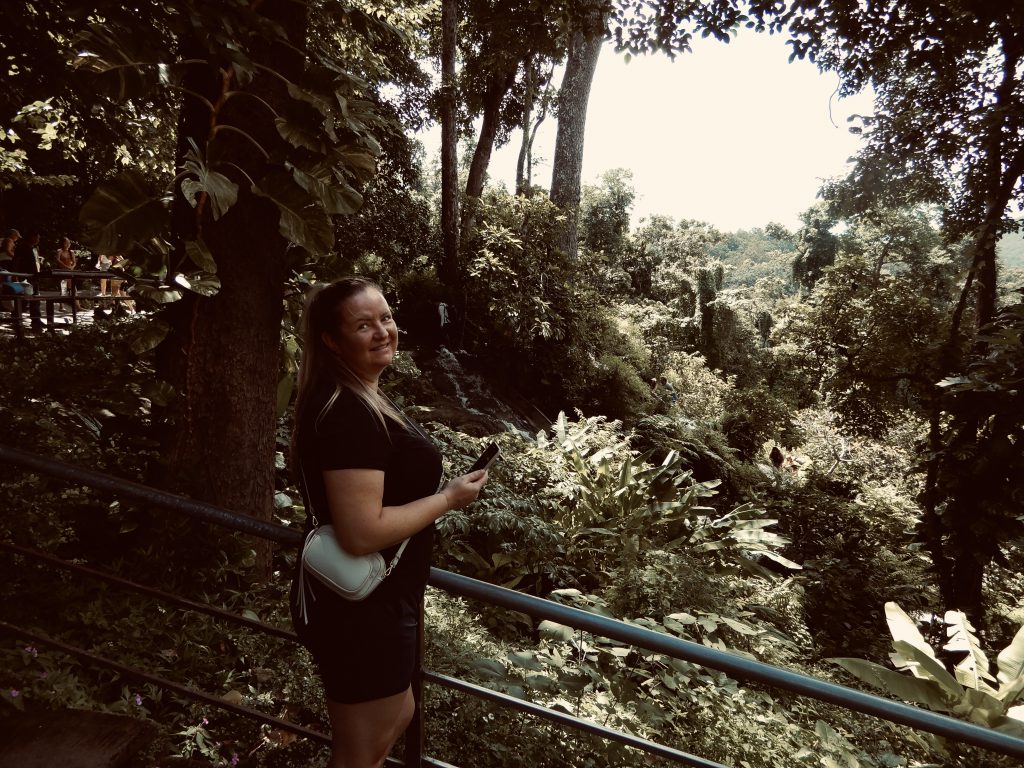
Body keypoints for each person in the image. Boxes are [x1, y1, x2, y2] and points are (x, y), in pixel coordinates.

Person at [289, 276, 488, 768]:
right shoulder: (348, 413)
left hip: (381, 600)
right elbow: (362, 532)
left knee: (397, 713)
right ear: (333, 342)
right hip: (362, 612)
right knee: (358, 754)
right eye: (363, 325)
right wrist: (447, 499)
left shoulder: (359, 396)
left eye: (386, 318)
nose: (382, 331)